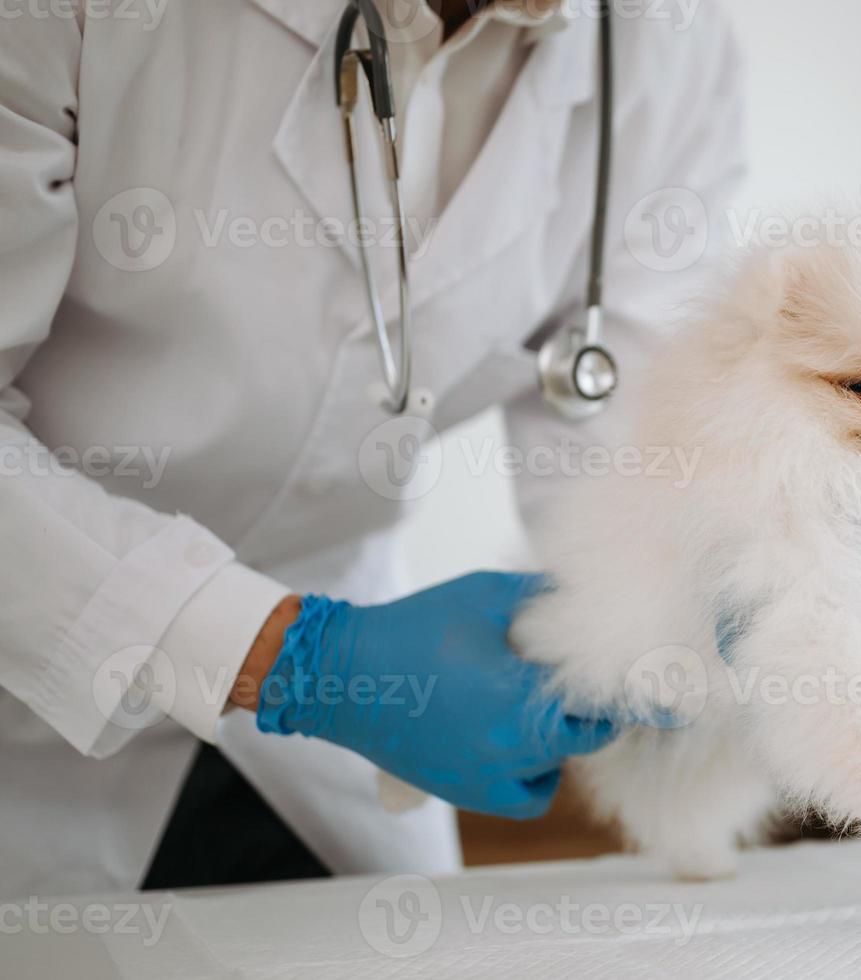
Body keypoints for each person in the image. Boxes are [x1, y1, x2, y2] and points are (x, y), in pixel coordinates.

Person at [0, 0, 752, 897]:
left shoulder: (670, 45)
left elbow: (626, 458)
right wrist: (295, 660)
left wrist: (740, 593)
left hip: (344, 723)